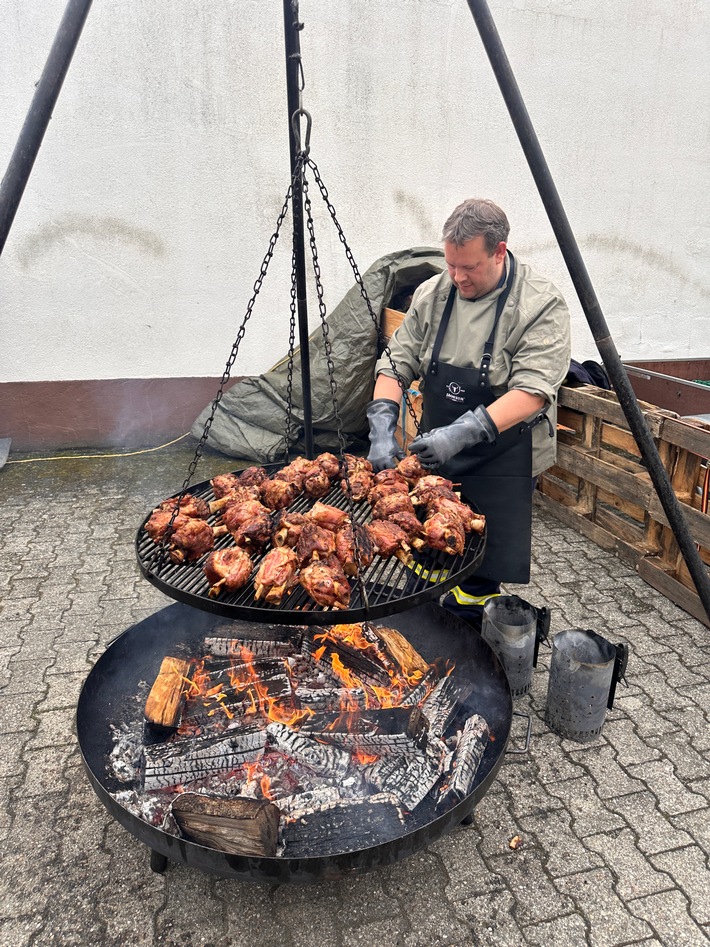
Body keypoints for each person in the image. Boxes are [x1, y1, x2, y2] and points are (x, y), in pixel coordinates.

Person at [367, 198, 572, 628]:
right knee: (427, 547)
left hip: (504, 453)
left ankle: (472, 633)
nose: (457, 277)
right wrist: (382, 425)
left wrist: (466, 430)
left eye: (469, 267)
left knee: (479, 565)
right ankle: (423, 624)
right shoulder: (435, 293)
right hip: (437, 451)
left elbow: (534, 391)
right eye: (451, 264)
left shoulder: (539, 304)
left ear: (499, 252)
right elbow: (394, 362)